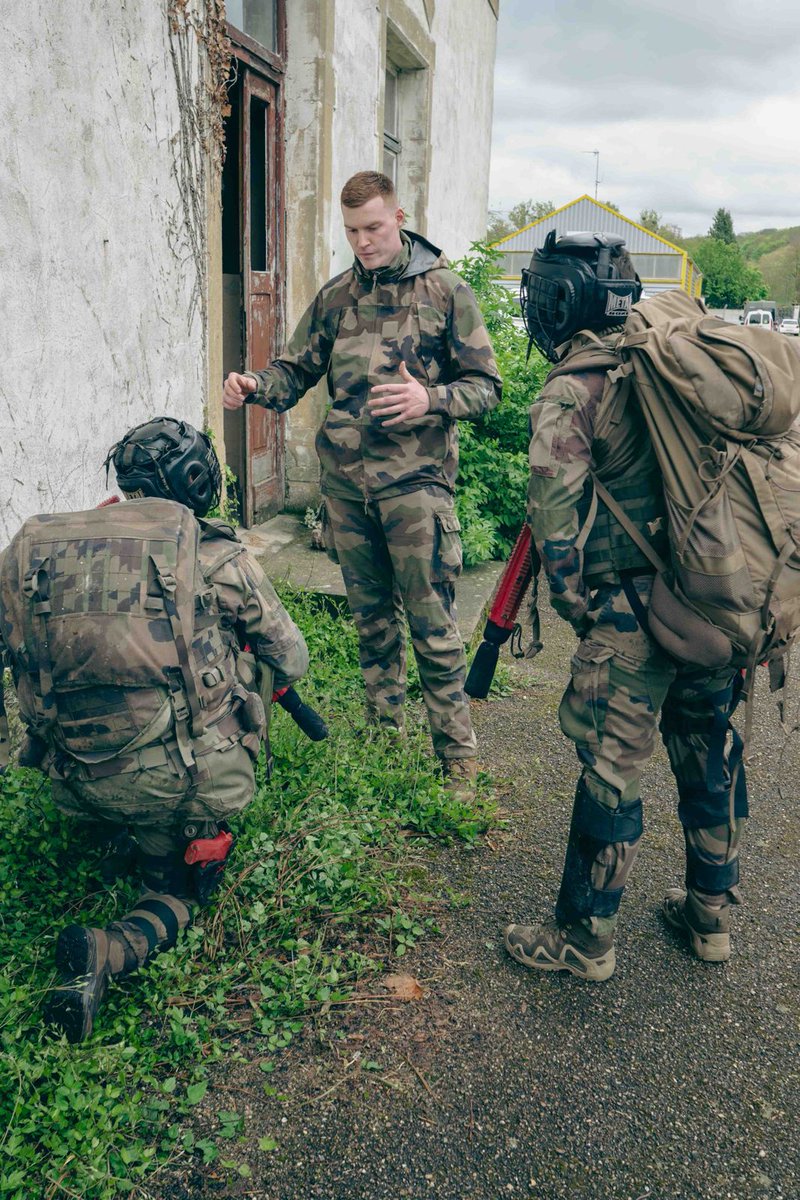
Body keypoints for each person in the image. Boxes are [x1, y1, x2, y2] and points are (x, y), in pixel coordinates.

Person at [0, 418, 309, 1040]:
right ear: (198, 482)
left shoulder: (38, 553)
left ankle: (123, 826)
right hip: (181, 776)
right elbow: (292, 657)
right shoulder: (216, 554)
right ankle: (112, 946)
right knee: (177, 892)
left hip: (71, 779)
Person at [504, 233, 747, 980]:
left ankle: (584, 939)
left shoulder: (572, 389)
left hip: (632, 614)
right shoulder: (670, 360)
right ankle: (709, 920)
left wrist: (584, 610)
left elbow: (555, 526)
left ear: (563, 304)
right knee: (711, 756)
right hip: (713, 596)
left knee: (613, 772)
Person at [223, 170, 501, 794]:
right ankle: (383, 738)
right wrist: (255, 386)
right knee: (371, 621)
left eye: (373, 228)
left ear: (399, 217)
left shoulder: (446, 292)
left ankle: (457, 757)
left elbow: (488, 387)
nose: (364, 242)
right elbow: (295, 371)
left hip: (417, 487)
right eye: (351, 231)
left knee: (433, 625)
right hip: (347, 491)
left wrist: (429, 398)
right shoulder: (336, 297)